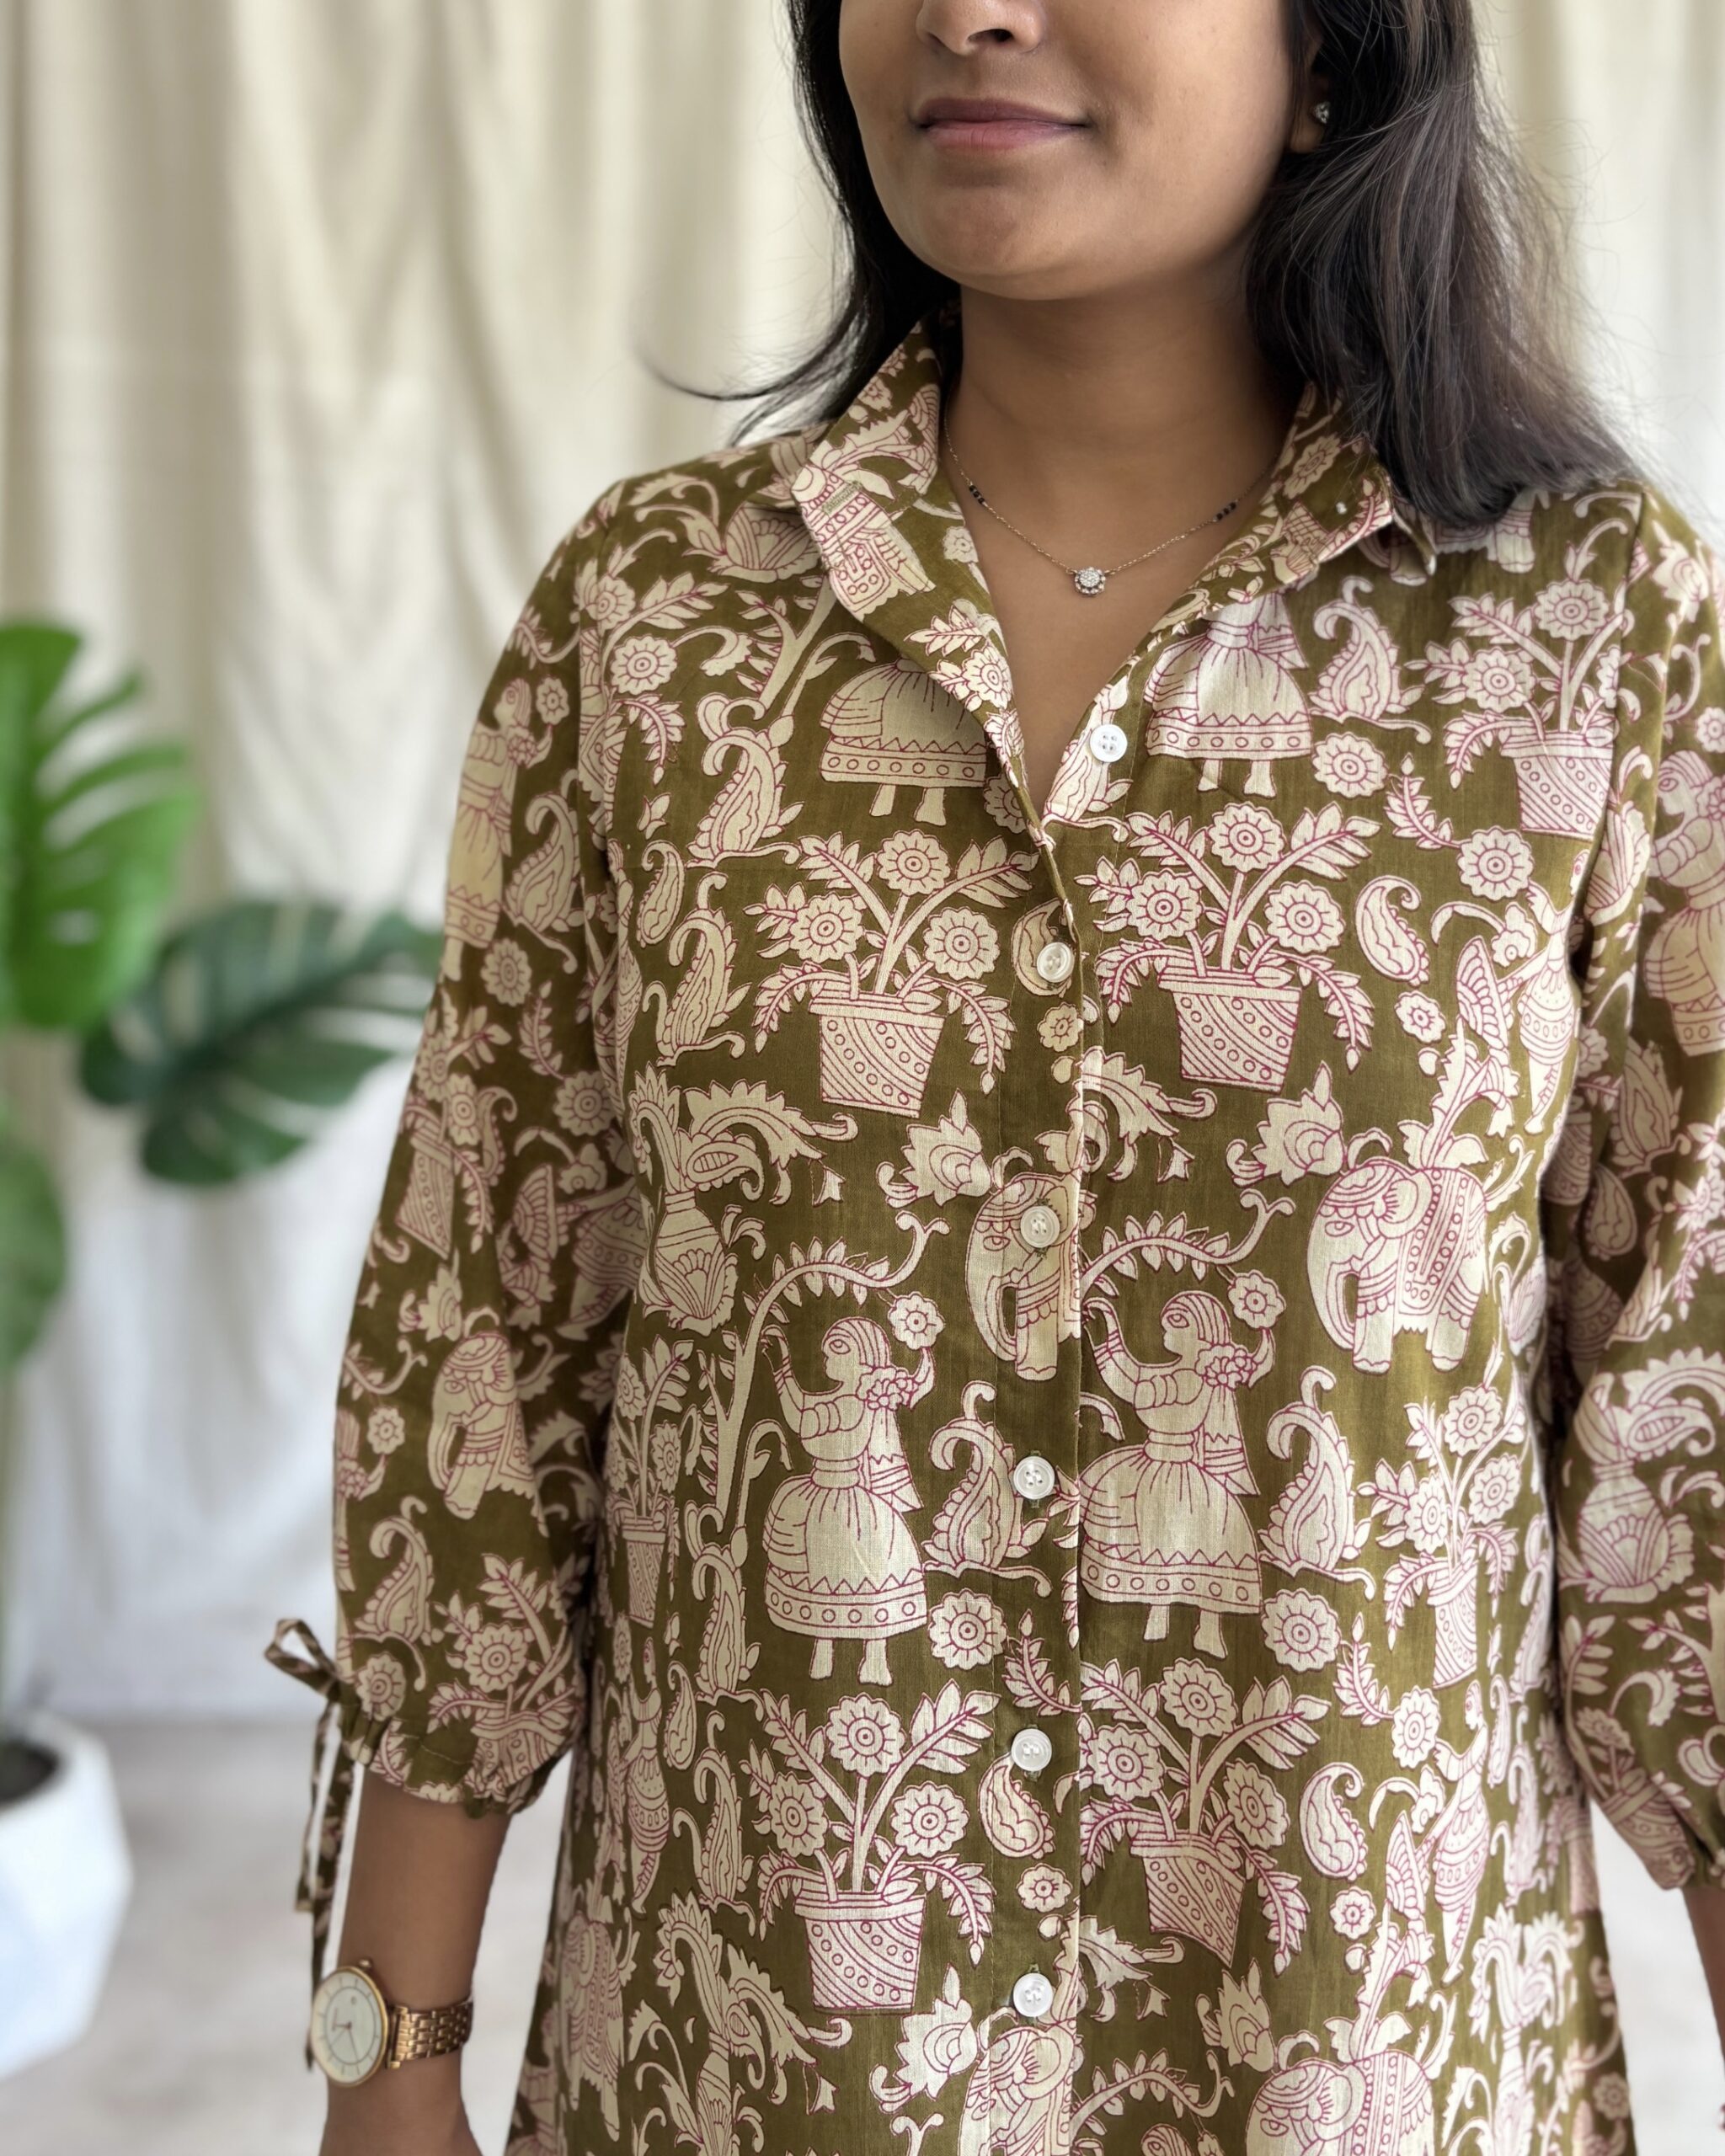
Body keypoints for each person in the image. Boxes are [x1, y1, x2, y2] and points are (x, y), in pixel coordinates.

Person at [270, 3, 1725, 2150]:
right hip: (761, 2053)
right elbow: (485, 1342)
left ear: (1329, 58)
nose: (969, 9)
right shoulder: (656, 626)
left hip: (1361, 2048)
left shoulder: (1587, 634)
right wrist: (387, 2050)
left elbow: (1692, 1420)